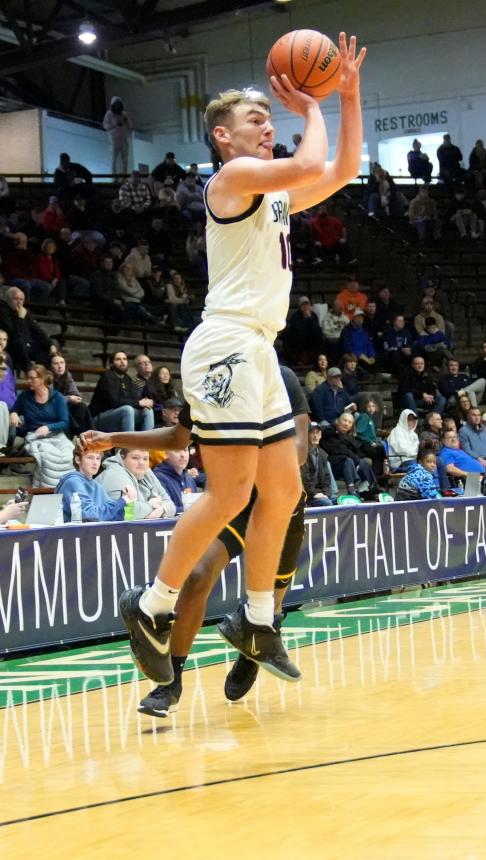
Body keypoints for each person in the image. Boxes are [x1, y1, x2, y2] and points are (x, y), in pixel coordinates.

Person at [116, 33, 367, 687]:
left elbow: (339, 170)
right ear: (223, 138)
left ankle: (256, 619)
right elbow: (311, 162)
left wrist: (347, 92)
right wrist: (312, 106)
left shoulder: (274, 192)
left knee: (284, 489)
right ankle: (151, 606)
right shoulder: (230, 179)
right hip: (225, 343)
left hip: (260, 348)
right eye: (254, 118)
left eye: (268, 115)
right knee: (230, 492)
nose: (266, 124)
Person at [82, 363, 315, 716]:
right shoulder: (217, 377)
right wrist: (115, 439)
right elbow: (178, 437)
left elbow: (297, 452)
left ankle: (252, 648)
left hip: (279, 499)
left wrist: (246, 442)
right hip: (233, 496)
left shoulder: (281, 377)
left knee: (270, 606)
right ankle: (170, 681)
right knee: (198, 575)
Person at [11, 363, 74, 487]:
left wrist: (49, 427)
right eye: (28, 378)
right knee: (46, 456)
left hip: (56, 435)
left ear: (42, 379)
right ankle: (47, 490)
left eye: (32, 378)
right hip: (35, 435)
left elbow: (65, 422)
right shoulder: (25, 396)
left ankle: (66, 489)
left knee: (69, 454)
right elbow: (15, 410)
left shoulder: (57, 397)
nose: (29, 381)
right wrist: (14, 413)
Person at [56, 440, 135, 522]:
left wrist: (128, 502)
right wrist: (122, 501)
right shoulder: (73, 482)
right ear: (78, 459)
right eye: (90, 458)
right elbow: (90, 516)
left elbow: (116, 517)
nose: (95, 462)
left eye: (98, 458)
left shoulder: (97, 486)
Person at [97, 447, 176, 519]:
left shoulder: (146, 471)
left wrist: (162, 510)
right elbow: (126, 512)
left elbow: (171, 505)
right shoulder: (115, 474)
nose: (141, 462)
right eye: (135, 458)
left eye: (145, 459)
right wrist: (151, 505)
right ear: (122, 458)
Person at [89, 350, 155, 432]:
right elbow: (115, 401)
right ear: (111, 364)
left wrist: (146, 402)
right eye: (118, 359)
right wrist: (139, 403)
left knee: (147, 411)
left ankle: (147, 443)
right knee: (127, 409)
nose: (122, 362)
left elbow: (133, 398)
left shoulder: (127, 379)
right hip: (100, 418)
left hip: (120, 415)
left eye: (124, 359)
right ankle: (127, 444)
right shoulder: (107, 376)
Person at [51, 352, 93, 436]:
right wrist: (69, 398)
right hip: (51, 408)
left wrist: (75, 398)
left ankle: (90, 436)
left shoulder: (67, 375)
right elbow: (50, 399)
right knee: (64, 408)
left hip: (65, 406)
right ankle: (79, 433)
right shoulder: (47, 377)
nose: (60, 366)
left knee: (82, 406)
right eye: (56, 363)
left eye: (62, 363)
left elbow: (75, 393)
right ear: (50, 366)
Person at [153, 448, 199, 514]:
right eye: (177, 450)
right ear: (166, 454)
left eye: (185, 450)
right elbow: (164, 509)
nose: (183, 455)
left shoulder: (189, 478)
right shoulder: (158, 478)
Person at [301, 422, 335, 506]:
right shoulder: (302, 454)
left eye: (317, 433)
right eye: (312, 433)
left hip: (319, 493)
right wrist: (314, 494)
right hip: (307, 495)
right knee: (327, 503)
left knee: (338, 501)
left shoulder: (322, 454)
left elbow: (327, 479)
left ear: (321, 435)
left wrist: (325, 494)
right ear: (307, 435)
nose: (315, 436)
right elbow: (304, 478)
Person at [103, 97, 133, 177]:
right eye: (116, 105)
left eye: (119, 105)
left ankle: (125, 176)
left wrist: (126, 121)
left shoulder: (124, 114)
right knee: (114, 158)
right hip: (114, 139)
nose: (117, 106)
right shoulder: (109, 114)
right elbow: (105, 126)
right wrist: (115, 125)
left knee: (125, 158)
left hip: (123, 138)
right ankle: (114, 177)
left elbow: (130, 126)